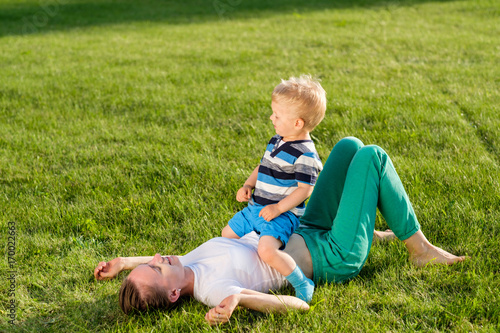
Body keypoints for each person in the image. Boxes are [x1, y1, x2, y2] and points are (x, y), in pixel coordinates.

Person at [94, 137, 467, 325]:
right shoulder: (214, 290)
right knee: (372, 157)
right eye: (157, 267)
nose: (159, 257)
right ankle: (419, 250)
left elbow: (159, 263)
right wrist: (241, 300)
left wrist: (126, 262)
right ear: (175, 293)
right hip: (331, 254)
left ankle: (375, 233)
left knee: (349, 147)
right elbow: (299, 304)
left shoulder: (188, 264)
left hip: (305, 227)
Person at [221, 75, 326, 302]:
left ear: (298, 123)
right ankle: (237, 267)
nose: (271, 117)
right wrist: (248, 184)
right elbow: (262, 166)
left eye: (277, 115)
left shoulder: (305, 155)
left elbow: (305, 190)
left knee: (266, 251)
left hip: (281, 216)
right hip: (256, 208)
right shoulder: (278, 140)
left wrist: (278, 208)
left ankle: (301, 282)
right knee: (226, 235)